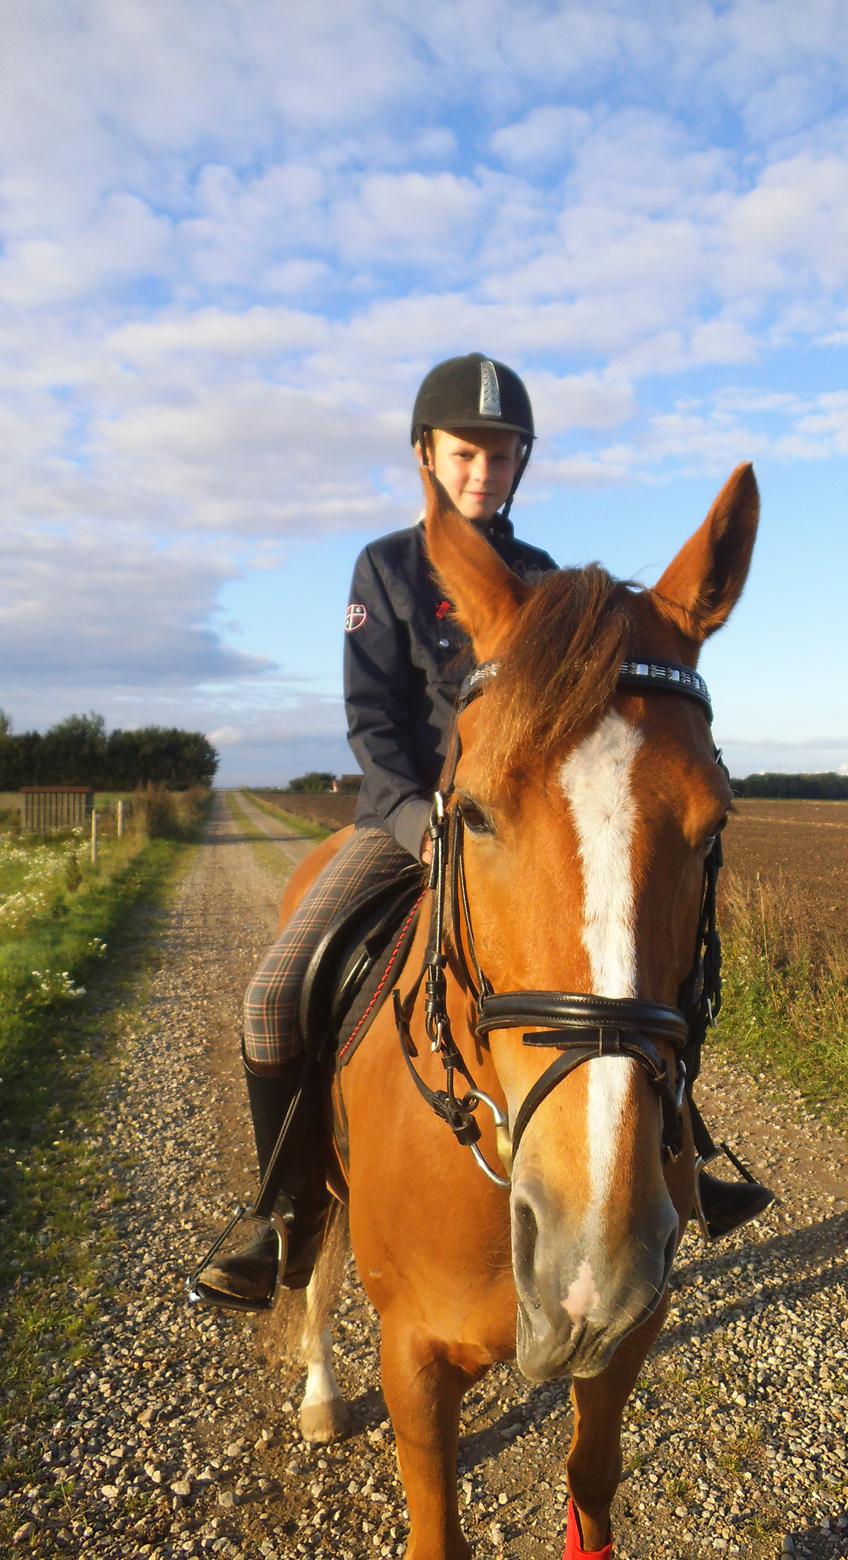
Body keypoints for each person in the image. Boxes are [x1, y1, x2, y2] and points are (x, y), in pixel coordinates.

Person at [196, 352, 768, 1311]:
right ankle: (279, 1210)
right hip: (404, 823)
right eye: (467, 452)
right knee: (271, 998)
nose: (483, 472)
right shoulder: (383, 567)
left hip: (516, 831)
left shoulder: (545, 581)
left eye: (503, 456)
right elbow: (374, 726)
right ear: (426, 455)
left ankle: (681, 1154)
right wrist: (422, 822)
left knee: (618, 984)